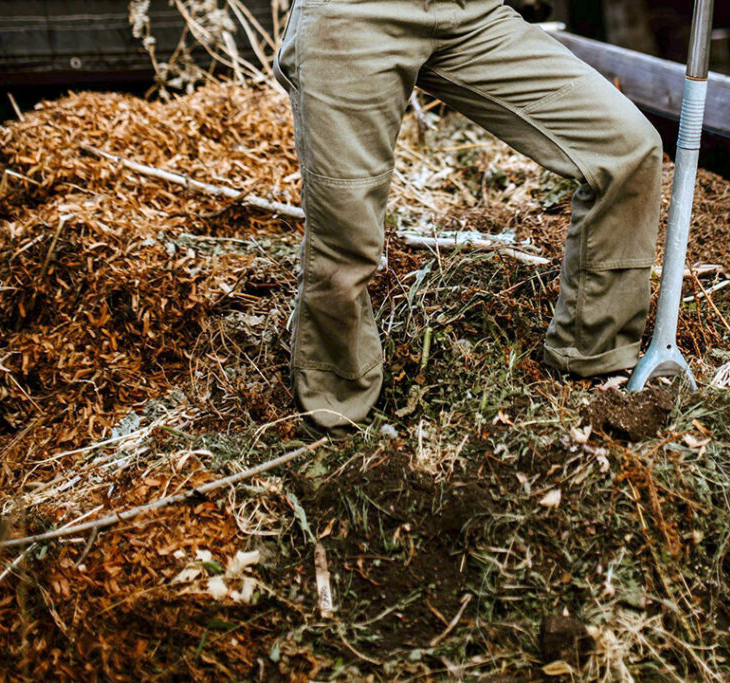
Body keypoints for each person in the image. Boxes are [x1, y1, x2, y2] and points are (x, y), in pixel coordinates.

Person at [274, 0, 662, 431]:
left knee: (627, 148)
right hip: (354, 17)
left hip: (471, 12)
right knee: (345, 242)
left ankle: (594, 356)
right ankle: (335, 413)